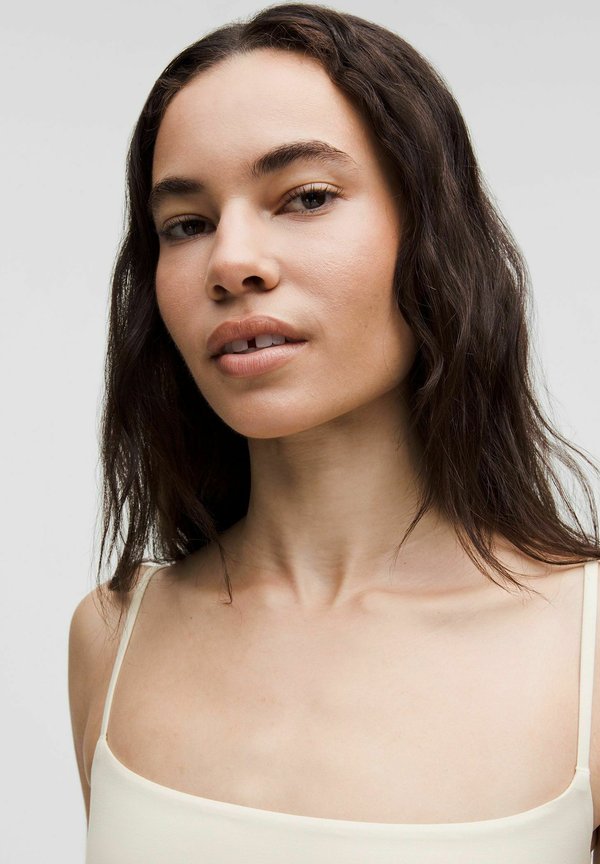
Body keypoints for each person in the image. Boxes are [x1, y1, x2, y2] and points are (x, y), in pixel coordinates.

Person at [68, 3, 600, 861]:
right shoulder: (111, 637)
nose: (232, 262)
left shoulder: (588, 651)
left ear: (432, 233)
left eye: (306, 197)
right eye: (187, 224)